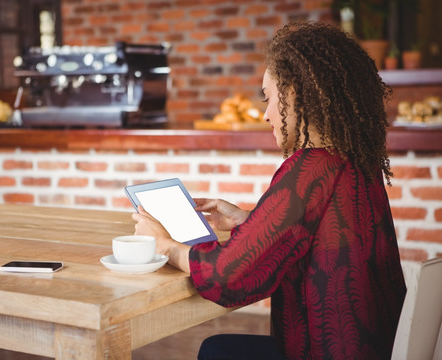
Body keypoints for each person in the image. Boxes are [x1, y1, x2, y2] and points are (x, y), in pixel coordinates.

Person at [132, 21, 406, 360]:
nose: (265, 115)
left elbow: (229, 276)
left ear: (293, 93)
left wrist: (164, 245)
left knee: (217, 351)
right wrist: (249, 220)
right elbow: (320, 238)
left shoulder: (310, 169)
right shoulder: (353, 163)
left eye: (268, 97)